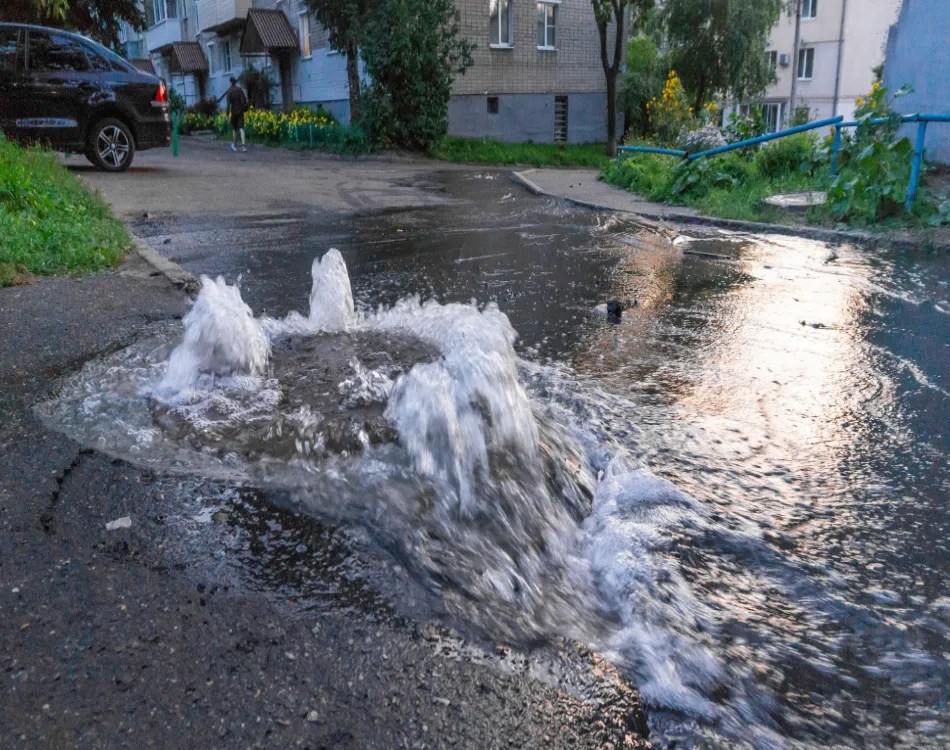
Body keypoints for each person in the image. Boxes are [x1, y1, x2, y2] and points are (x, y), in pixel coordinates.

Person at [225, 76, 248, 153]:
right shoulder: (239, 90)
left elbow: (228, 105)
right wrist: (243, 108)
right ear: (235, 82)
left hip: (234, 112)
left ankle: (234, 145)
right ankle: (244, 146)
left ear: (230, 82)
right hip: (240, 112)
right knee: (241, 128)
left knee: (234, 129)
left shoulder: (229, 91)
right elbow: (244, 100)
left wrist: (227, 114)